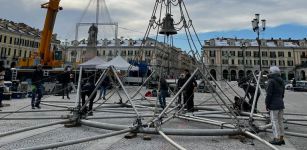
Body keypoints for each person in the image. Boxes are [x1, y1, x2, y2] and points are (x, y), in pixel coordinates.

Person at [266, 66, 285, 145]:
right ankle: (281, 138)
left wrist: (267, 104)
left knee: (274, 121)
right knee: (280, 121)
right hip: (281, 103)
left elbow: (269, 94)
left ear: (271, 72)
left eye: (269, 72)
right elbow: (283, 94)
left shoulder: (271, 81)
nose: (269, 73)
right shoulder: (282, 81)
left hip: (273, 104)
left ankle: (276, 138)